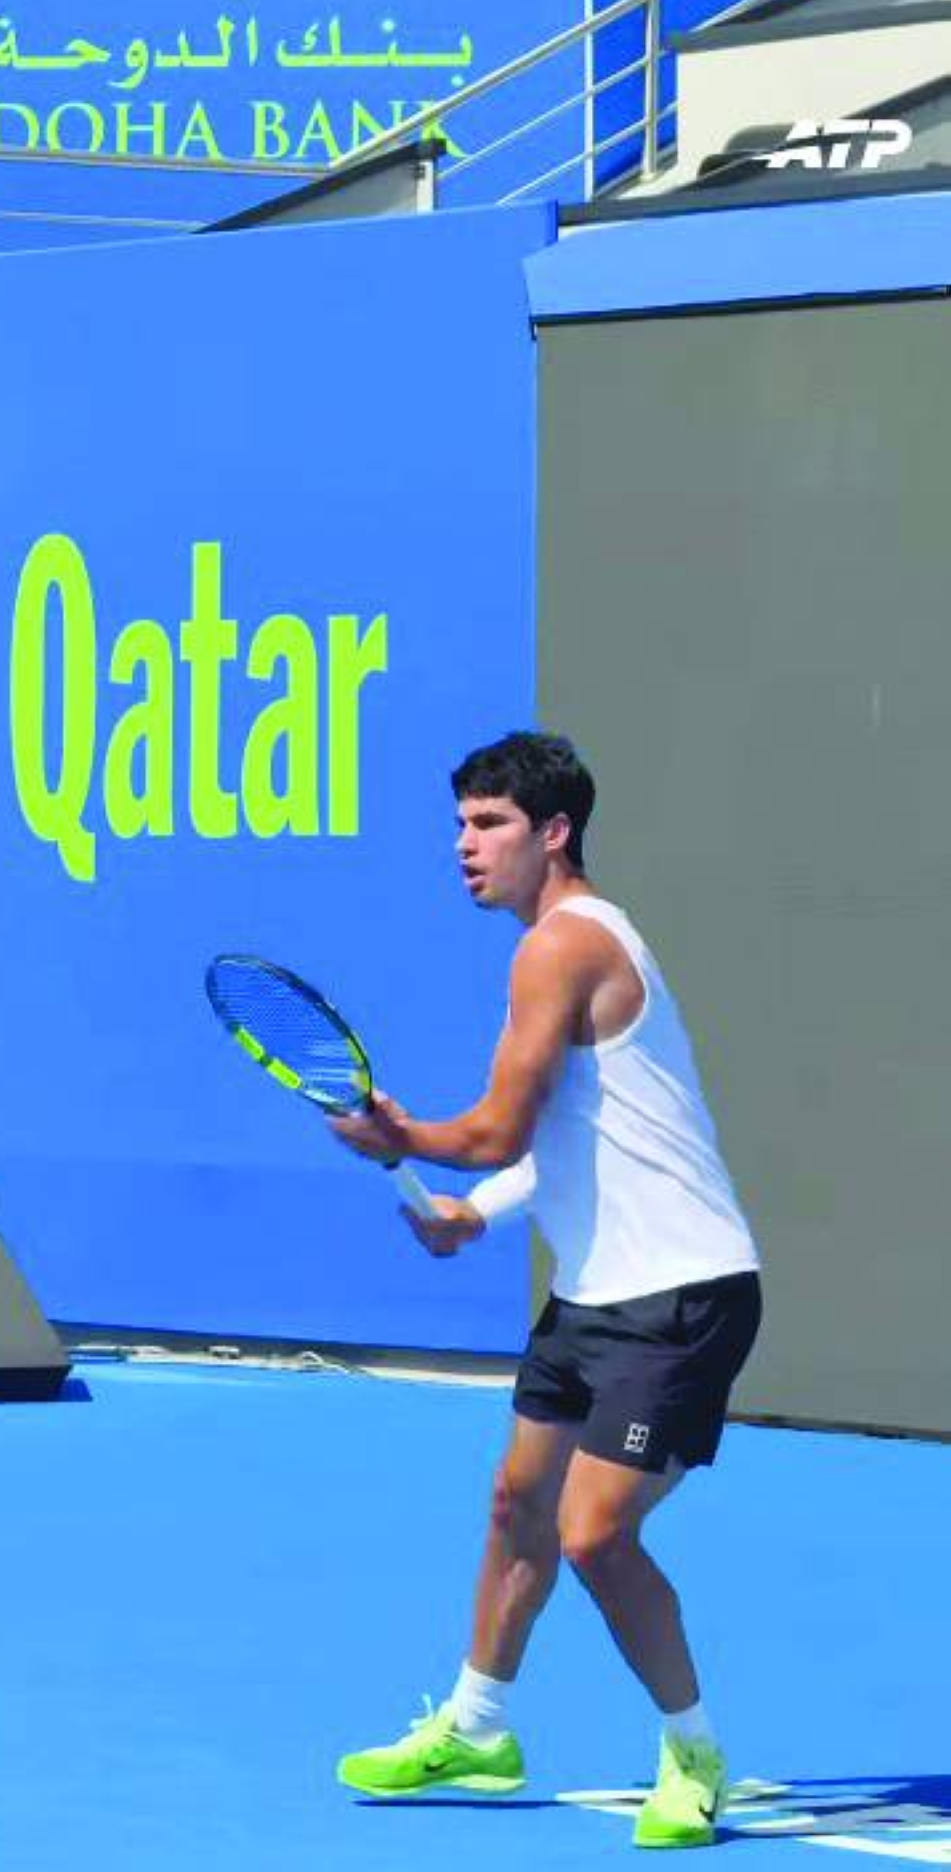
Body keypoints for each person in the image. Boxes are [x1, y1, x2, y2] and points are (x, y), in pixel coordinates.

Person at [330, 731, 761, 1849]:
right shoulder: (565, 945)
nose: (464, 847)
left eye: (489, 825)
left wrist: (400, 1138)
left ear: (553, 832)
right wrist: (482, 1211)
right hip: (593, 1294)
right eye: (461, 825)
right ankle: (478, 1725)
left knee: (592, 1535)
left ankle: (696, 1754)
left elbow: (494, 1127)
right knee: (516, 1506)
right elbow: (573, 1135)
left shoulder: (561, 947)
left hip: (681, 1294)